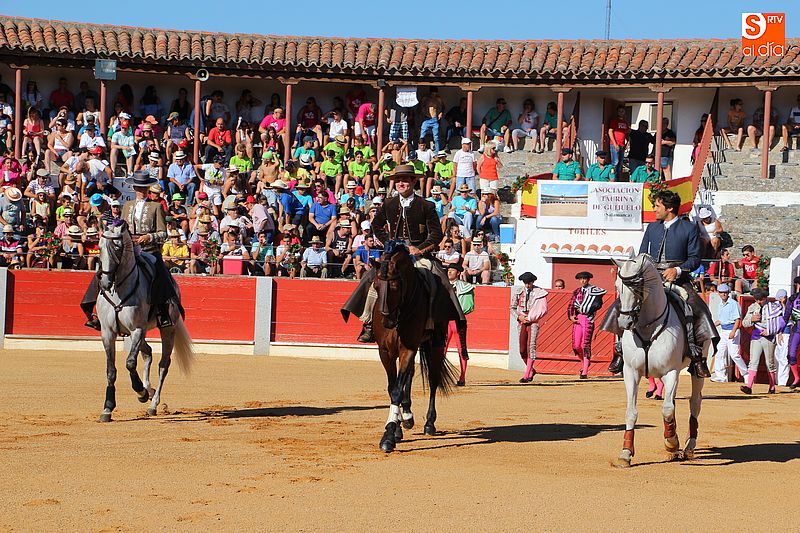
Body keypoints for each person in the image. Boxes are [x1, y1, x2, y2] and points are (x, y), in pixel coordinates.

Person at [341, 164, 463, 343]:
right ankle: (369, 322)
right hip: (394, 254)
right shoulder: (389, 203)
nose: (401, 183)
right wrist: (388, 242)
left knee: (439, 280)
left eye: (405, 180)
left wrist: (420, 249)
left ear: (413, 181)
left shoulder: (426, 205)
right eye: (398, 180)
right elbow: (376, 225)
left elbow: (436, 234)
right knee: (372, 277)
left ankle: (434, 323)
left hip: (419, 255)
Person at [603, 190, 717, 378]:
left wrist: (677, 270)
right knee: (622, 305)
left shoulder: (688, 228)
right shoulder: (652, 228)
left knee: (699, 308)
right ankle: (620, 350)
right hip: (649, 279)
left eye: (657, 206)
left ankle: (697, 356)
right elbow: (642, 254)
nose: (655, 209)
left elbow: (695, 258)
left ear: (669, 208)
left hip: (678, 279)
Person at [80, 171, 178, 330]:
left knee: (161, 274)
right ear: (134, 188)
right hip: (129, 250)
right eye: (139, 187)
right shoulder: (127, 206)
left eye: (145, 187)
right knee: (104, 270)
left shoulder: (156, 206)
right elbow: (121, 228)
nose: (142, 190)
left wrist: (149, 237)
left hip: (150, 251)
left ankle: (163, 312)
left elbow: (163, 234)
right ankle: (94, 311)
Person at [741, 288, 783, 394]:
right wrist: (751, 319)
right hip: (756, 336)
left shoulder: (773, 307)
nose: (758, 301)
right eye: (756, 299)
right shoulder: (752, 307)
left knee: (770, 363)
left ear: (765, 298)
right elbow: (744, 323)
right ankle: (749, 387)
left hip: (769, 337)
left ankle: (772, 387)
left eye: (761, 299)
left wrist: (771, 331)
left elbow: (780, 323)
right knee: (753, 362)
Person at [511, 272, 548, 383]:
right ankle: (531, 370)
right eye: (526, 283)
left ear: (533, 282)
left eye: (529, 282)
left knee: (531, 347)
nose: (527, 285)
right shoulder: (519, 292)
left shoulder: (539, 292)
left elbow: (543, 309)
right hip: (522, 322)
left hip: (533, 322)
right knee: (522, 349)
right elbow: (512, 308)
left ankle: (527, 374)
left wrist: (531, 317)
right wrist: (519, 317)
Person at [569, 271, 606, 379]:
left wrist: (587, 309)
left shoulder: (594, 291)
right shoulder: (577, 291)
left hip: (588, 318)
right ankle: (584, 362)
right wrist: (571, 316)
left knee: (585, 344)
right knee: (576, 346)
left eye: (584, 279)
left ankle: (585, 371)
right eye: (581, 279)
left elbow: (598, 304)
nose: (583, 281)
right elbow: (571, 305)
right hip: (578, 318)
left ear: (588, 279)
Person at [445, 263, 474, 386]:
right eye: (448, 270)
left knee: (462, 349)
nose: (449, 272)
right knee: (441, 348)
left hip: (459, 321)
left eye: (452, 270)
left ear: (458, 273)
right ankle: (439, 375)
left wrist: (458, 312)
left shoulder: (465, 287)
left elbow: (469, 306)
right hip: (445, 321)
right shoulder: (442, 285)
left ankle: (462, 377)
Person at [711, 284, 747, 383]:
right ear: (718, 293)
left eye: (725, 292)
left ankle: (746, 374)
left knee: (734, 354)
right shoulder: (720, 305)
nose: (723, 294)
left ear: (728, 293)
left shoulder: (733, 304)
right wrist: (713, 325)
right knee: (719, 352)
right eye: (721, 292)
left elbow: (737, 320)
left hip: (732, 330)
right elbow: (721, 320)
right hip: (723, 331)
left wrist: (733, 331)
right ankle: (721, 376)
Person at [782, 276, 800, 389]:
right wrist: (779, 330)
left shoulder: (792, 298)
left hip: (796, 329)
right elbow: (786, 316)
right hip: (796, 330)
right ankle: (797, 378)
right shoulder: (792, 299)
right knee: (791, 354)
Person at [608, 105, 629, 176]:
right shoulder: (614, 121)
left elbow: (626, 133)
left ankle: (618, 179)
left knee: (620, 164)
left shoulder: (625, 122)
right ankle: (612, 178)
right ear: (617, 112)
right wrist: (615, 144)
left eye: (622, 111)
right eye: (619, 111)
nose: (621, 113)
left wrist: (627, 143)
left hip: (622, 145)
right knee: (615, 162)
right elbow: (610, 132)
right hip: (615, 145)